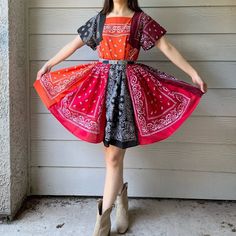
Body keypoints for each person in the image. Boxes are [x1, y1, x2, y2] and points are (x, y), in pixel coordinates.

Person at [34, 0, 208, 235]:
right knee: (111, 157)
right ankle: (121, 204)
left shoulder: (140, 20)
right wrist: (49, 64)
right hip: (101, 91)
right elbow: (74, 44)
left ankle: (101, 224)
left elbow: (166, 47)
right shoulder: (99, 19)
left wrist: (193, 73)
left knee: (114, 157)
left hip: (127, 93)